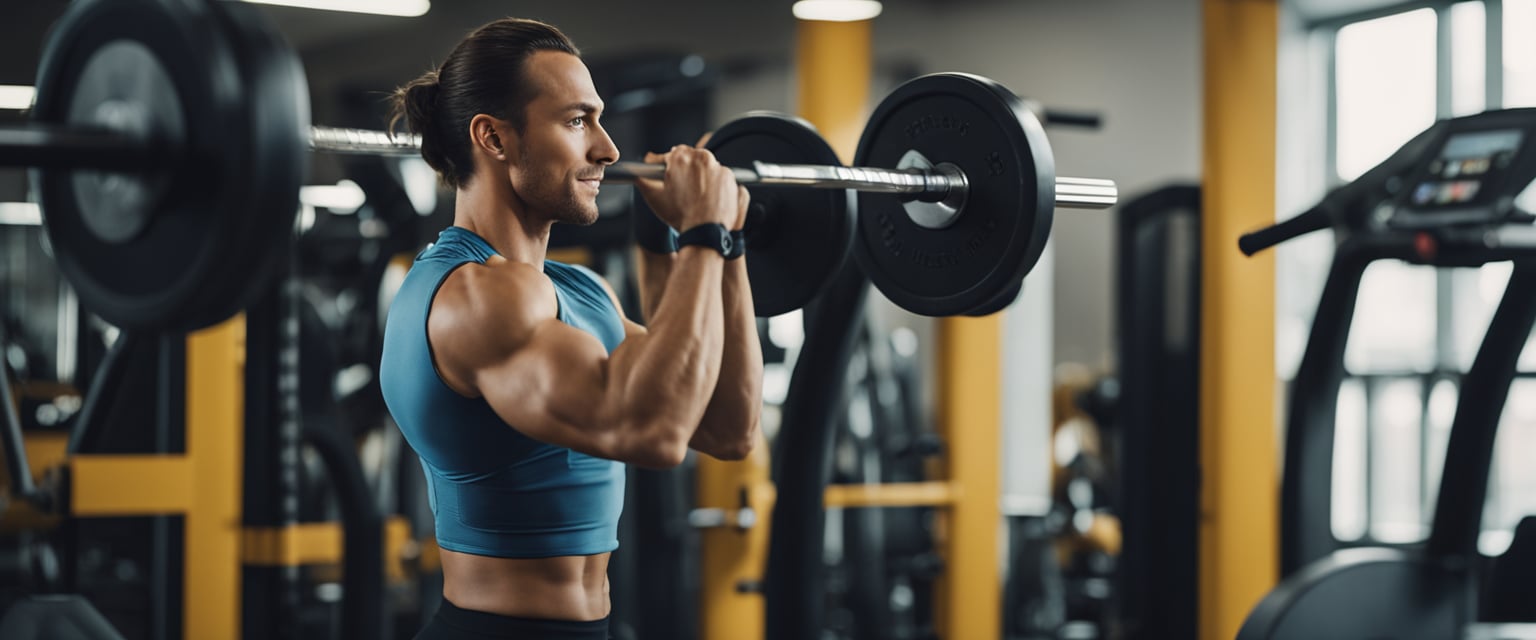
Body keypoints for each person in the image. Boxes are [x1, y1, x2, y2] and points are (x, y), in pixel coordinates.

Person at [379, 18, 764, 640]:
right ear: (495, 139)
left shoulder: (578, 291)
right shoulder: (474, 297)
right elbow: (655, 433)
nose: (608, 150)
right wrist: (703, 234)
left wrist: (724, 243)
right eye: (577, 121)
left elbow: (726, 424)